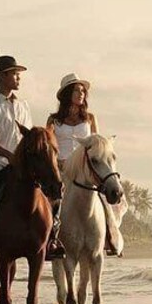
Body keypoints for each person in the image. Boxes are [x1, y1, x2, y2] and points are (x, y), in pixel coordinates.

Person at [0, 55, 64, 260]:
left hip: (24, 164)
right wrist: (10, 156)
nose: (19, 78)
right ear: (3, 76)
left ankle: (51, 237)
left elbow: (28, 138)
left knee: (48, 190)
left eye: (19, 74)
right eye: (15, 74)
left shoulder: (23, 106)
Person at [46, 73, 123, 256]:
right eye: (76, 90)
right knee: (49, 202)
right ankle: (50, 241)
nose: (81, 94)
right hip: (62, 169)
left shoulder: (90, 118)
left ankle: (111, 239)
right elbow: (49, 146)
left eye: (83, 91)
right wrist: (58, 162)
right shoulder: (53, 120)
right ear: (67, 94)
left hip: (84, 170)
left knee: (103, 198)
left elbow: (98, 145)